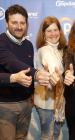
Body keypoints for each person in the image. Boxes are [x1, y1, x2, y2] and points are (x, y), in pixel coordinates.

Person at [0, 4, 50, 140]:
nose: (19, 26)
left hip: (26, 103)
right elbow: (11, 62)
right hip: (5, 105)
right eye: (14, 22)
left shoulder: (28, 45)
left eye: (22, 23)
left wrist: (32, 94)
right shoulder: (1, 42)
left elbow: (27, 67)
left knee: (21, 138)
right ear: (6, 23)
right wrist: (37, 74)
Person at [34, 16, 66, 140]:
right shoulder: (45, 49)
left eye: (55, 30)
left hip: (58, 103)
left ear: (60, 31)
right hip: (46, 102)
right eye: (48, 31)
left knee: (56, 134)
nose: (53, 34)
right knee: (48, 136)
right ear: (43, 34)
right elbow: (50, 61)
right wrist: (54, 73)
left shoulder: (60, 50)